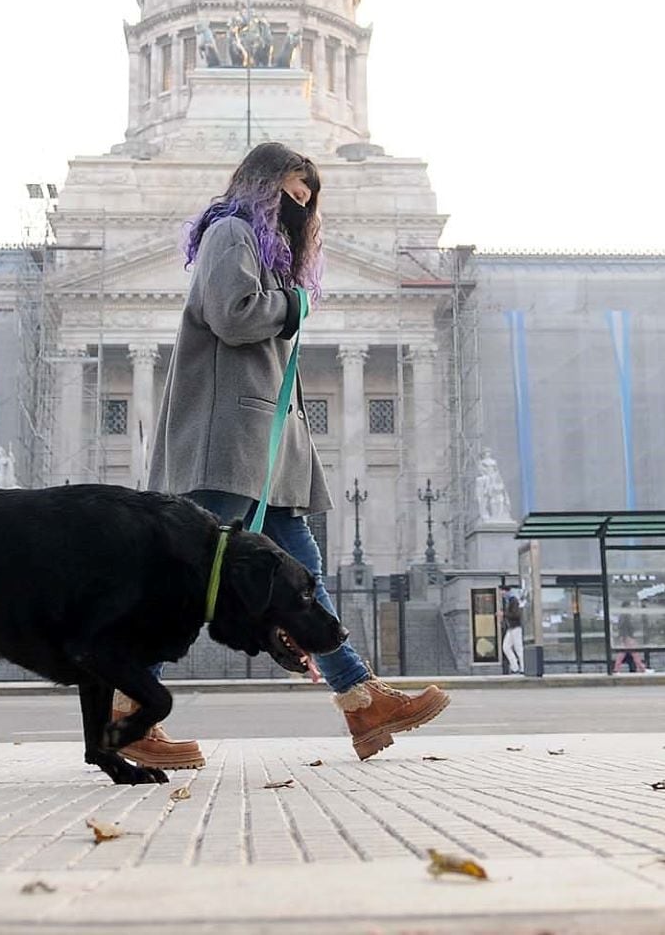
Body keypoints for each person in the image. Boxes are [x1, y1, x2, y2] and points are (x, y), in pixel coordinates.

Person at [129, 142, 451, 768]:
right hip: (228, 445)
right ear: (261, 185)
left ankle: (361, 698)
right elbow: (233, 315)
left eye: (308, 197)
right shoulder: (231, 232)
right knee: (185, 583)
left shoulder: (267, 247)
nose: (300, 206)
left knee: (303, 580)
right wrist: (296, 303)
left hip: (269, 452)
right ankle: (128, 710)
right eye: (290, 192)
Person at [499, 586, 524, 674]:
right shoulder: (509, 601)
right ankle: (515, 667)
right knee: (506, 647)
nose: (501, 594)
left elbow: (516, 614)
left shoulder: (513, 600)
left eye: (501, 591)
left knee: (518, 648)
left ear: (505, 591)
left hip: (516, 627)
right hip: (511, 628)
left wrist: (504, 614)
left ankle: (522, 667)